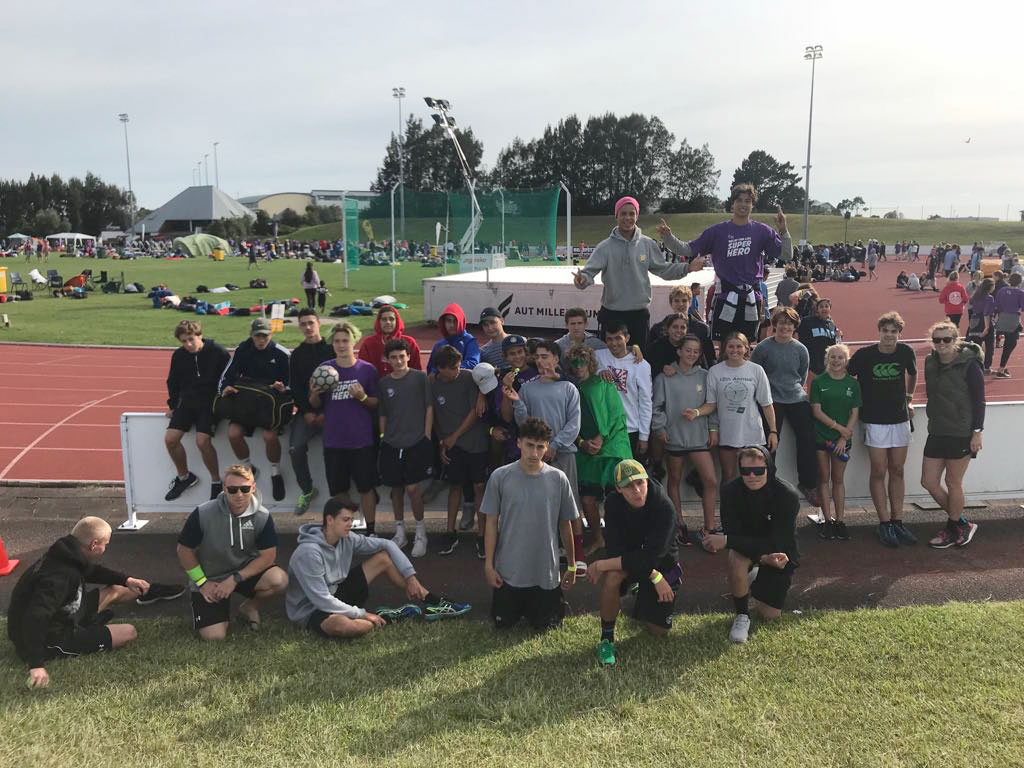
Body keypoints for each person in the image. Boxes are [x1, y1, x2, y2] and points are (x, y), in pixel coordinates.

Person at [8, 517, 180, 689]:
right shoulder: (59, 578)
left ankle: (149, 592)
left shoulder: (66, 554)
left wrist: (127, 579)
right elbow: (36, 616)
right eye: (106, 544)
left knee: (118, 588)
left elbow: (92, 572)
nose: (106, 548)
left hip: (66, 615)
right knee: (129, 632)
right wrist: (36, 665)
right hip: (53, 639)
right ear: (94, 544)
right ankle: (88, 629)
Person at [286, 498, 470, 638]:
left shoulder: (347, 538)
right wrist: (363, 614)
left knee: (383, 558)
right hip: (313, 610)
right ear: (330, 520)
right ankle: (386, 618)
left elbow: (386, 544)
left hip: (337, 594)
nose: (350, 524)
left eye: (352, 519)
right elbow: (322, 601)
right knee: (343, 626)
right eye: (345, 519)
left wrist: (411, 577)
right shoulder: (309, 553)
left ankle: (434, 602)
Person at [659, 183, 792, 341]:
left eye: (747, 201)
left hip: (751, 298)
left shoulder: (762, 231)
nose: (743, 204)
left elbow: (786, 254)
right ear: (732, 204)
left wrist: (783, 230)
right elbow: (688, 249)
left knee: (744, 345)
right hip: (725, 296)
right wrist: (668, 238)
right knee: (723, 344)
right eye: (739, 200)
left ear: (752, 205)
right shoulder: (717, 231)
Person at [481, 417, 578, 631]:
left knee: (547, 626)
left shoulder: (559, 479)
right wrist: (489, 565)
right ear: (519, 443)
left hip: (545, 574)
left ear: (547, 447)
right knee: (503, 625)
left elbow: (566, 525)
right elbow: (491, 523)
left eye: (540, 447)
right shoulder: (500, 477)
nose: (534, 453)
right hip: (509, 574)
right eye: (529, 445)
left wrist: (572, 565)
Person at [573, 196, 700, 350]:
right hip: (612, 315)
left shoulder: (647, 244)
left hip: (638, 316)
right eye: (623, 213)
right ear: (616, 216)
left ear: (637, 216)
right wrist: (582, 280)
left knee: (638, 359)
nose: (627, 218)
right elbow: (588, 273)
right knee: (610, 360)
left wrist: (687, 268)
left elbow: (664, 269)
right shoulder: (605, 247)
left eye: (631, 214)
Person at [176, 464, 288, 639]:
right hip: (211, 578)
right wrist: (202, 582)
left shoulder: (262, 516)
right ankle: (218, 610)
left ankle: (249, 607)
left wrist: (235, 579)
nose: (239, 494)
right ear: (224, 489)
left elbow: (268, 556)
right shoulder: (203, 513)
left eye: (245, 489)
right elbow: (184, 550)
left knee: (279, 580)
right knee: (214, 637)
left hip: (243, 574)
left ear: (253, 487)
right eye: (233, 489)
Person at [587, 459, 680, 666]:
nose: (637, 490)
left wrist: (600, 565)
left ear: (647, 480)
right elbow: (615, 550)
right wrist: (653, 576)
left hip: (661, 562)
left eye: (640, 483)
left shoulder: (664, 506)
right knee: (613, 576)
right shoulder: (613, 503)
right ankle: (606, 639)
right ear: (618, 489)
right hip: (638, 563)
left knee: (659, 631)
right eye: (629, 486)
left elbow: (654, 556)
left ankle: (637, 597)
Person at [702, 446, 799, 644]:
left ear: (769, 469)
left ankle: (753, 576)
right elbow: (734, 533)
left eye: (758, 470)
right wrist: (758, 555)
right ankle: (742, 615)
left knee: (769, 615)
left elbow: (779, 542)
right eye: (745, 471)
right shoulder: (730, 491)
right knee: (736, 558)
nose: (752, 476)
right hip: (747, 548)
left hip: (777, 551)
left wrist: (726, 541)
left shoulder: (787, 495)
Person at [505, 340, 583, 556]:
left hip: (563, 455)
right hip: (536, 457)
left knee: (570, 505)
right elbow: (524, 423)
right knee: (540, 505)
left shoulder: (569, 388)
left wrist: (554, 445)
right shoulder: (527, 389)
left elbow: (574, 424)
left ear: (556, 359)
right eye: (537, 357)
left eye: (545, 356)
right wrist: (517, 402)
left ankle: (577, 555)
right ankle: (547, 550)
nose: (540, 361)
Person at [847, 312, 918, 548]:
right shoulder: (865, 355)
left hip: (899, 419)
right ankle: (884, 522)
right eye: (885, 331)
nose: (889, 335)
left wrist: (909, 398)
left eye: (893, 331)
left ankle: (898, 521)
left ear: (899, 333)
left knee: (897, 470)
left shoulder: (905, 352)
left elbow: (913, 374)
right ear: (879, 331)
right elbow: (846, 374)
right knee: (878, 470)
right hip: (874, 420)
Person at [308, 322, 380, 533]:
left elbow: (376, 403)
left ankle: (371, 530)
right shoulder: (325, 370)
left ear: (353, 342)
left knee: (366, 488)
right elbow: (315, 404)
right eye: (337, 341)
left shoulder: (367, 370)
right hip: (334, 441)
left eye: (345, 340)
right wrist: (314, 394)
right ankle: (344, 531)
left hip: (361, 440)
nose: (341, 345)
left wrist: (362, 397)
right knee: (339, 492)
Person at [922, 321, 984, 549]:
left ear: (955, 340)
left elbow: (979, 401)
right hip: (937, 430)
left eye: (946, 339)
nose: (941, 343)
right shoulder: (930, 362)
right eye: (937, 339)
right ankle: (961, 524)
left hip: (960, 432)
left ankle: (952, 528)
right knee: (928, 482)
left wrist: (977, 432)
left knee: (952, 482)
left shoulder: (969, 364)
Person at [651, 335, 719, 540]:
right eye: (688, 350)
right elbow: (656, 407)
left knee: (710, 480)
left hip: (699, 438)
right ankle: (679, 523)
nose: (692, 354)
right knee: (674, 479)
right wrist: (660, 429)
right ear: (679, 351)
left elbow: (712, 405)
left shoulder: (705, 376)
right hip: (675, 438)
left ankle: (709, 527)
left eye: (696, 351)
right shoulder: (664, 377)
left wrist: (713, 428)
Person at [567, 344, 633, 557]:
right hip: (587, 452)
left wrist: (600, 438)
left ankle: (622, 541)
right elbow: (570, 423)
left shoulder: (604, 383)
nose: (579, 367)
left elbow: (616, 415)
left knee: (620, 499)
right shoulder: (571, 389)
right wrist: (582, 443)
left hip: (612, 450)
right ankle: (598, 539)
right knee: (587, 500)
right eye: (575, 364)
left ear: (590, 364)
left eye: (583, 363)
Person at [751, 307, 819, 504]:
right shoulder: (763, 348)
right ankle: (768, 483)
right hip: (771, 400)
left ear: (794, 327)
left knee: (808, 437)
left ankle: (807, 483)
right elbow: (756, 374)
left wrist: (793, 389)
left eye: (789, 324)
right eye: (781, 323)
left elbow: (802, 375)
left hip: (796, 397)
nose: (785, 327)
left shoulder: (800, 349)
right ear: (775, 325)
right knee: (770, 442)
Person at [218, 318, 291, 501]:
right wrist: (225, 388)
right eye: (257, 336)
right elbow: (227, 375)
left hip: (269, 407)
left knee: (269, 436)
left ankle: (275, 472)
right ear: (251, 335)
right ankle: (248, 468)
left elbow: (293, 384)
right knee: (233, 434)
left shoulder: (282, 354)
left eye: (265, 336)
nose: (261, 340)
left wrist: (283, 388)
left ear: (271, 334)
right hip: (247, 402)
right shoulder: (243, 349)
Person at [163, 320, 231, 501]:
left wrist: (225, 401)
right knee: (170, 439)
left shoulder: (218, 351)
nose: (188, 344)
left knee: (202, 441)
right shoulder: (179, 355)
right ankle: (184, 477)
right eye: (183, 341)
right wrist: (173, 406)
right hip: (187, 403)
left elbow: (230, 377)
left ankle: (216, 482)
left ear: (200, 335)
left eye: (191, 339)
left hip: (210, 403)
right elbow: (172, 382)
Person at [431, 345, 489, 558]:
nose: (458, 371)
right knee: (454, 486)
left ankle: (482, 536)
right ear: (440, 368)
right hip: (451, 446)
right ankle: (450, 532)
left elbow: (474, 412)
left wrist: (454, 437)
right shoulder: (432, 384)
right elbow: (434, 416)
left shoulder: (468, 378)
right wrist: (442, 442)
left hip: (475, 443)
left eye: (458, 366)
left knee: (479, 487)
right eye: (453, 368)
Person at [378, 339, 434, 557]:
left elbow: (429, 407)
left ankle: (421, 533)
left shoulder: (420, 378)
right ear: (387, 360)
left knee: (413, 489)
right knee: (396, 490)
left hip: (416, 442)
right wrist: (383, 437)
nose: (398, 361)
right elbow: (383, 414)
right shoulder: (384, 383)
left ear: (409, 356)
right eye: (393, 357)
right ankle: (400, 532)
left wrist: (427, 435)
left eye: (402, 356)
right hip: (392, 443)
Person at [697, 333, 776, 483]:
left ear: (746, 348)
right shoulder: (715, 371)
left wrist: (773, 431)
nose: (735, 350)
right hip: (727, 433)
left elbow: (766, 404)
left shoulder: (756, 370)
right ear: (725, 348)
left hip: (752, 433)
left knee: (753, 476)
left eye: (739, 346)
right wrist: (697, 413)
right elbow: (711, 405)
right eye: (731, 346)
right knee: (728, 477)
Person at [810, 344, 861, 541]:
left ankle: (840, 521)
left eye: (840, 357)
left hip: (842, 442)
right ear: (827, 359)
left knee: (838, 479)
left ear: (846, 360)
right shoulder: (818, 382)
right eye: (833, 357)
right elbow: (816, 411)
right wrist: (840, 429)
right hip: (821, 438)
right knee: (823, 478)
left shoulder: (852, 384)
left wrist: (843, 437)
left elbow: (854, 413)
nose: (836, 361)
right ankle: (827, 521)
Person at [288, 309, 333, 515]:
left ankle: (339, 496)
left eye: (311, 323)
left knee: (334, 452)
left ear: (318, 324)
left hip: (331, 413)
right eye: (303, 324)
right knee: (295, 448)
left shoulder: (331, 350)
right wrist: (306, 411)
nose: (307, 327)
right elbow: (295, 387)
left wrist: (326, 412)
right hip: (306, 413)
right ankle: (307, 490)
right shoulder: (297, 355)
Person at [594, 323, 653, 461]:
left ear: (627, 338)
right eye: (609, 339)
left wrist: (644, 436)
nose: (614, 343)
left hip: (629, 429)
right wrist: (599, 370)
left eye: (618, 338)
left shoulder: (641, 364)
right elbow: (582, 363)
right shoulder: (598, 356)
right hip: (604, 429)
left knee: (627, 472)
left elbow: (645, 402)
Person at [357, 304, 422, 377]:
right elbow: (363, 371)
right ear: (379, 322)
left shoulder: (409, 342)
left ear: (397, 321)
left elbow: (417, 370)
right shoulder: (368, 343)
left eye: (391, 319)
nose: (388, 322)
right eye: (384, 319)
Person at [426, 303, 480, 373]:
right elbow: (431, 368)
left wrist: (449, 370)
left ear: (461, 321)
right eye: (448, 321)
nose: (452, 325)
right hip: (442, 379)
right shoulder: (439, 345)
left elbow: (473, 363)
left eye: (455, 321)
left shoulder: (470, 341)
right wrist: (437, 373)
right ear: (444, 322)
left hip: (463, 378)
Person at [798, 298, 839, 385]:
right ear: (817, 309)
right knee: (812, 387)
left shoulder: (831, 325)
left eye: (826, 306)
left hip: (825, 363)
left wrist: (838, 336)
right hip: (812, 362)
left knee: (825, 387)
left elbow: (834, 345)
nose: (824, 309)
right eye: (821, 306)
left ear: (830, 309)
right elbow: (800, 335)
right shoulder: (808, 321)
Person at [993, 272, 1024, 378]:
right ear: (1020, 282)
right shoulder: (1020, 292)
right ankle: (1001, 369)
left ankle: (999, 366)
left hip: (1002, 318)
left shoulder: (1002, 290)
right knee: (1010, 344)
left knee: (1004, 343)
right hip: (1013, 320)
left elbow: (996, 304)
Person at [965, 277, 996, 374]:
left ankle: (974, 366)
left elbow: (970, 305)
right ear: (990, 287)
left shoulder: (976, 296)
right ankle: (986, 367)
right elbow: (986, 313)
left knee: (974, 345)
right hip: (984, 321)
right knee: (989, 346)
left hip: (974, 320)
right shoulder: (989, 298)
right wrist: (987, 327)